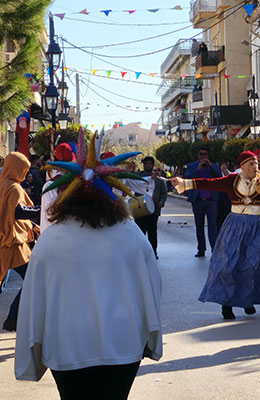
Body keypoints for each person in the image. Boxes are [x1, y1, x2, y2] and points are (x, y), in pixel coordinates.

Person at [14, 134, 162, 398]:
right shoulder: (131, 234)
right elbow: (152, 287)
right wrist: (151, 339)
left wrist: (32, 355)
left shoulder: (51, 240)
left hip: (66, 349)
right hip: (123, 346)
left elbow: (33, 299)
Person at [170, 151, 260, 319]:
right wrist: (184, 183)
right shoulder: (232, 180)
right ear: (242, 166)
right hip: (234, 226)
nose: (255, 166)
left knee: (252, 264)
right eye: (251, 164)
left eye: (256, 163)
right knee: (228, 264)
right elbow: (210, 183)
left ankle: (247, 300)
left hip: (256, 226)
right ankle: (226, 305)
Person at [0, 152, 40, 332]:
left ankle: (13, 318)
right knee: (33, 278)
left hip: (6, 241)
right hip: (12, 243)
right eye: (23, 168)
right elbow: (18, 212)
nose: (25, 172)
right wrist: (42, 209)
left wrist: (32, 224)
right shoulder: (14, 188)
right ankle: (14, 317)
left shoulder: (2, 183)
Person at [184, 147, 222, 257]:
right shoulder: (192, 166)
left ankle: (214, 249)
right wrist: (198, 169)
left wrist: (211, 166)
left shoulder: (213, 166)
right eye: (201, 154)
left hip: (211, 200)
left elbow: (219, 176)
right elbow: (187, 178)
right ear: (198, 155)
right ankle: (201, 249)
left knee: (212, 226)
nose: (203, 156)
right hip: (198, 200)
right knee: (199, 225)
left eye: (205, 154)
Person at [135, 156, 168, 259]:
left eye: (150, 163)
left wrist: (161, 203)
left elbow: (164, 193)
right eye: (146, 164)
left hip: (154, 210)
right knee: (140, 233)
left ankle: (153, 252)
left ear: (152, 165)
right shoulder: (138, 176)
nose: (148, 165)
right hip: (140, 209)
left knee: (152, 232)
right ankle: (140, 253)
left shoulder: (159, 179)